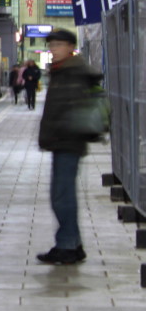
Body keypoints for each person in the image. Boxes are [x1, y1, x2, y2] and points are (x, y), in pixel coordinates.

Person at [36, 28, 101, 265]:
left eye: (57, 46)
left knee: (62, 197)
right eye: (51, 46)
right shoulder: (63, 70)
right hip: (62, 142)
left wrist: (57, 135)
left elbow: (71, 111)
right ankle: (71, 243)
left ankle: (68, 246)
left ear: (70, 47)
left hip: (68, 142)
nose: (53, 50)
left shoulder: (72, 72)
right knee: (63, 195)